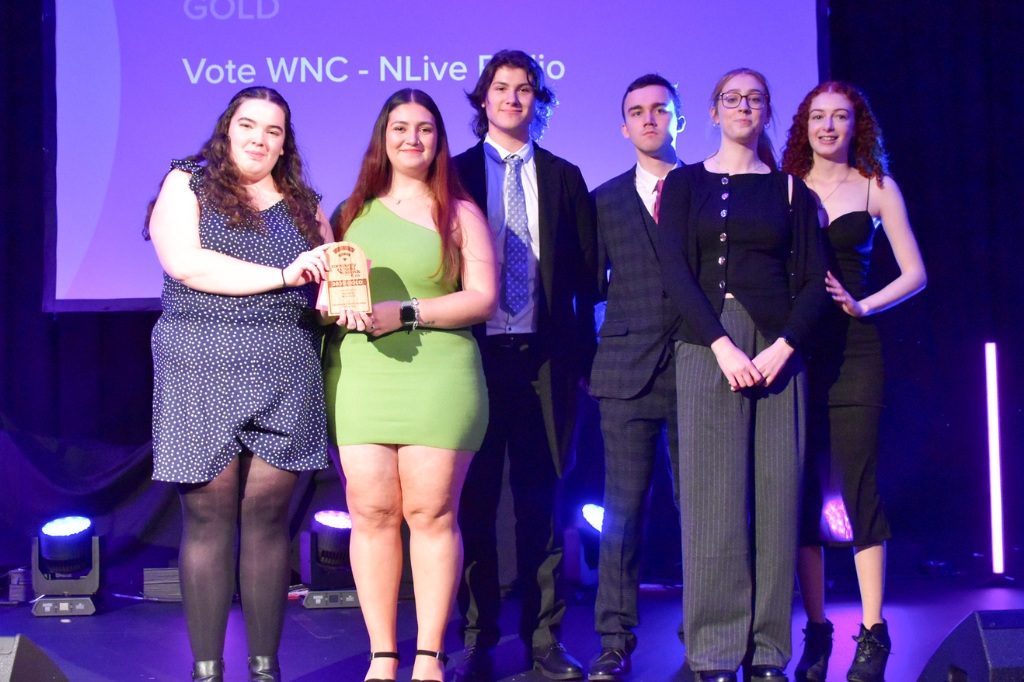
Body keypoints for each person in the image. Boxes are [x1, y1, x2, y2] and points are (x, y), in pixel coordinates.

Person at [146, 86, 333, 682]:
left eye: (274, 131)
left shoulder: (305, 203)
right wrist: (285, 273)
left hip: (285, 362)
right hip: (200, 360)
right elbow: (185, 262)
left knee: (269, 520)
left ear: (285, 144)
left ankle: (264, 669)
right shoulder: (188, 181)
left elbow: (331, 279)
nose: (260, 138)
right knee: (207, 517)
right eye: (249, 125)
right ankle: (207, 671)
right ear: (228, 130)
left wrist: (343, 297)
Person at [322, 88, 498, 682]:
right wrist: (333, 305)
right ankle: (381, 656)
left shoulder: (461, 212)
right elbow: (326, 296)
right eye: (400, 128)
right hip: (361, 376)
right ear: (382, 137)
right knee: (370, 511)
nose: (412, 139)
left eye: (425, 129)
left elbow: (482, 299)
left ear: (439, 139)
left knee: (429, 512)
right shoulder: (347, 214)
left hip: (439, 375)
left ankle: (428, 654)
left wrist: (408, 312)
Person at [658, 68, 827, 682]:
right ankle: (712, 653)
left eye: (756, 99)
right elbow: (673, 269)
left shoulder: (790, 190)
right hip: (707, 346)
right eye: (732, 98)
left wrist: (783, 347)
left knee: (778, 501)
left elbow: (812, 281)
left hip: (780, 349)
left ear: (767, 112)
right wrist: (722, 345)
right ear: (712, 111)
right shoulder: (684, 183)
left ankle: (766, 653)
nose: (744, 107)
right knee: (711, 502)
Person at [452, 49, 597, 682]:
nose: (514, 99)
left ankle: (544, 640)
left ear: (540, 103)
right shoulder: (449, 174)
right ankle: (476, 639)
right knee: (473, 505)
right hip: (471, 358)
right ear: (483, 100)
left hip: (546, 362)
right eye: (502, 88)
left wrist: (583, 361)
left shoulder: (566, 177)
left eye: (526, 90)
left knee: (544, 502)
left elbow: (588, 282)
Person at [781, 82, 926, 682]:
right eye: (818, 116)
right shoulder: (782, 184)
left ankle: (872, 632)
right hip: (792, 353)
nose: (828, 126)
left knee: (859, 484)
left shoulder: (875, 186)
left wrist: (865, 306)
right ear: (804, 125)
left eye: (841, 117)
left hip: (855, 352)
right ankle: (817, 633)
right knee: (799, 494)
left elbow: (916, 272)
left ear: (856, 125)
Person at [587, 73, 685, 682]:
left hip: (701, 369)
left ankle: (706, 632)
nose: (649, 119)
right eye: (637, 112)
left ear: (678, 119)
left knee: (704, 510)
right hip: (624, 374)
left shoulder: (707, 190)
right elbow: (585, 288)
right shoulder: (604, 200)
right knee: (622, 512)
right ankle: (613, 639)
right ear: (624, 127)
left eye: (660, 110)